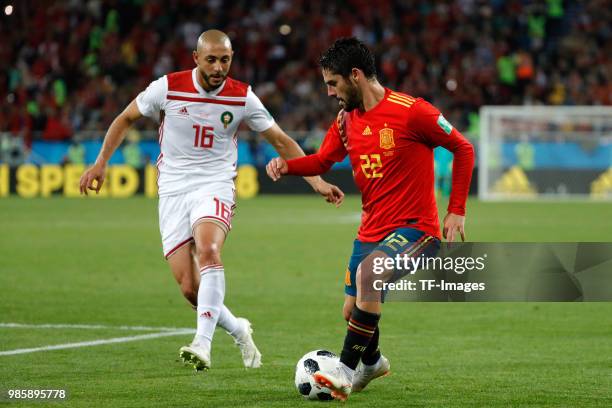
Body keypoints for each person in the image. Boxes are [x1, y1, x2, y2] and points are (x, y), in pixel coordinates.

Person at [80, 30, 344, 372]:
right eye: (212, 59)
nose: (219, 67)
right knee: (191, 288)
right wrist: (101, 161)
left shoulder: (242, 97)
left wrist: (317, 181)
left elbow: (280, 139)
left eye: (226, 59)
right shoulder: (167, 87)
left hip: (214, 184)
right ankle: (238, 329)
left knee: (209, 250)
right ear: (196, 58)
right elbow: (125, 118)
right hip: (173, 191)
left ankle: (202, 344)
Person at [266, 37, 474, 400]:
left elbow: (463, 147)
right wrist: (288, 166)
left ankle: (343, 371)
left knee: (370, 274)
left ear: (356, 75)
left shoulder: (413, 112)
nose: (330, 92)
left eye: (333, 82)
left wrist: (456, 209)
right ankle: (373, 363)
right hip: (370, 232)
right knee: (352, 310)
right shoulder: (347, 120)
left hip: (417, 231)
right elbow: (323, 161)